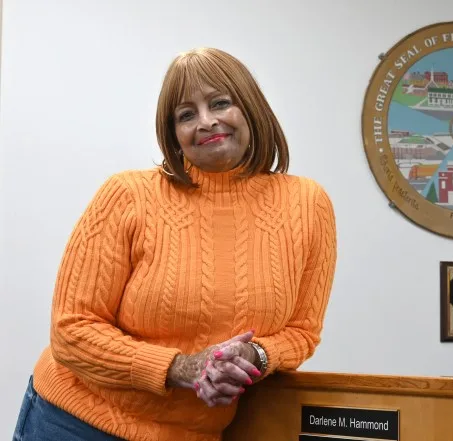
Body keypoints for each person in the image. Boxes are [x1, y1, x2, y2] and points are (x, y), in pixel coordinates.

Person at [12, 48, 337, 441]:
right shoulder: (127, 195)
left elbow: (302, 331)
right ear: (174, 134)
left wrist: (256, 357)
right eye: (186, 114)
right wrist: (181, 367)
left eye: (220, 102)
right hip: (76, 422)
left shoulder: (307, 203)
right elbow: (71, 330)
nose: (206, 121)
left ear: (251, 107)